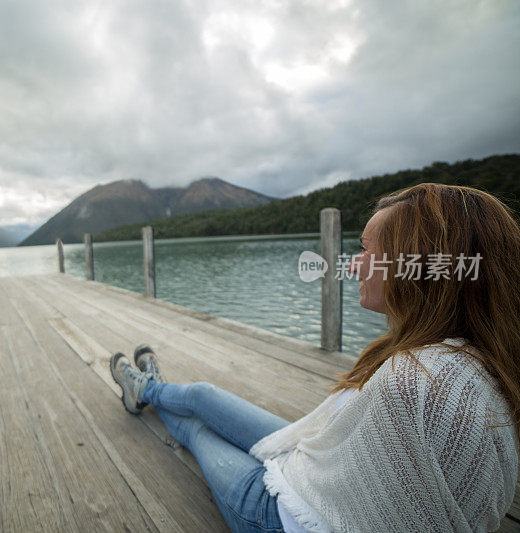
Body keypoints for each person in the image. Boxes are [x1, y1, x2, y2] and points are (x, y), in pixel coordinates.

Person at [110, 183, 520, 532]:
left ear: (421, 266)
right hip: (315, 464)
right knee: (200, 393)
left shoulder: (415, 379)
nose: (354, 266)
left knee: (198, 431)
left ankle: (144, 390)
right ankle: (148, 387)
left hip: (280, 513)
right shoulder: (474, 359)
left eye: (365, 251)